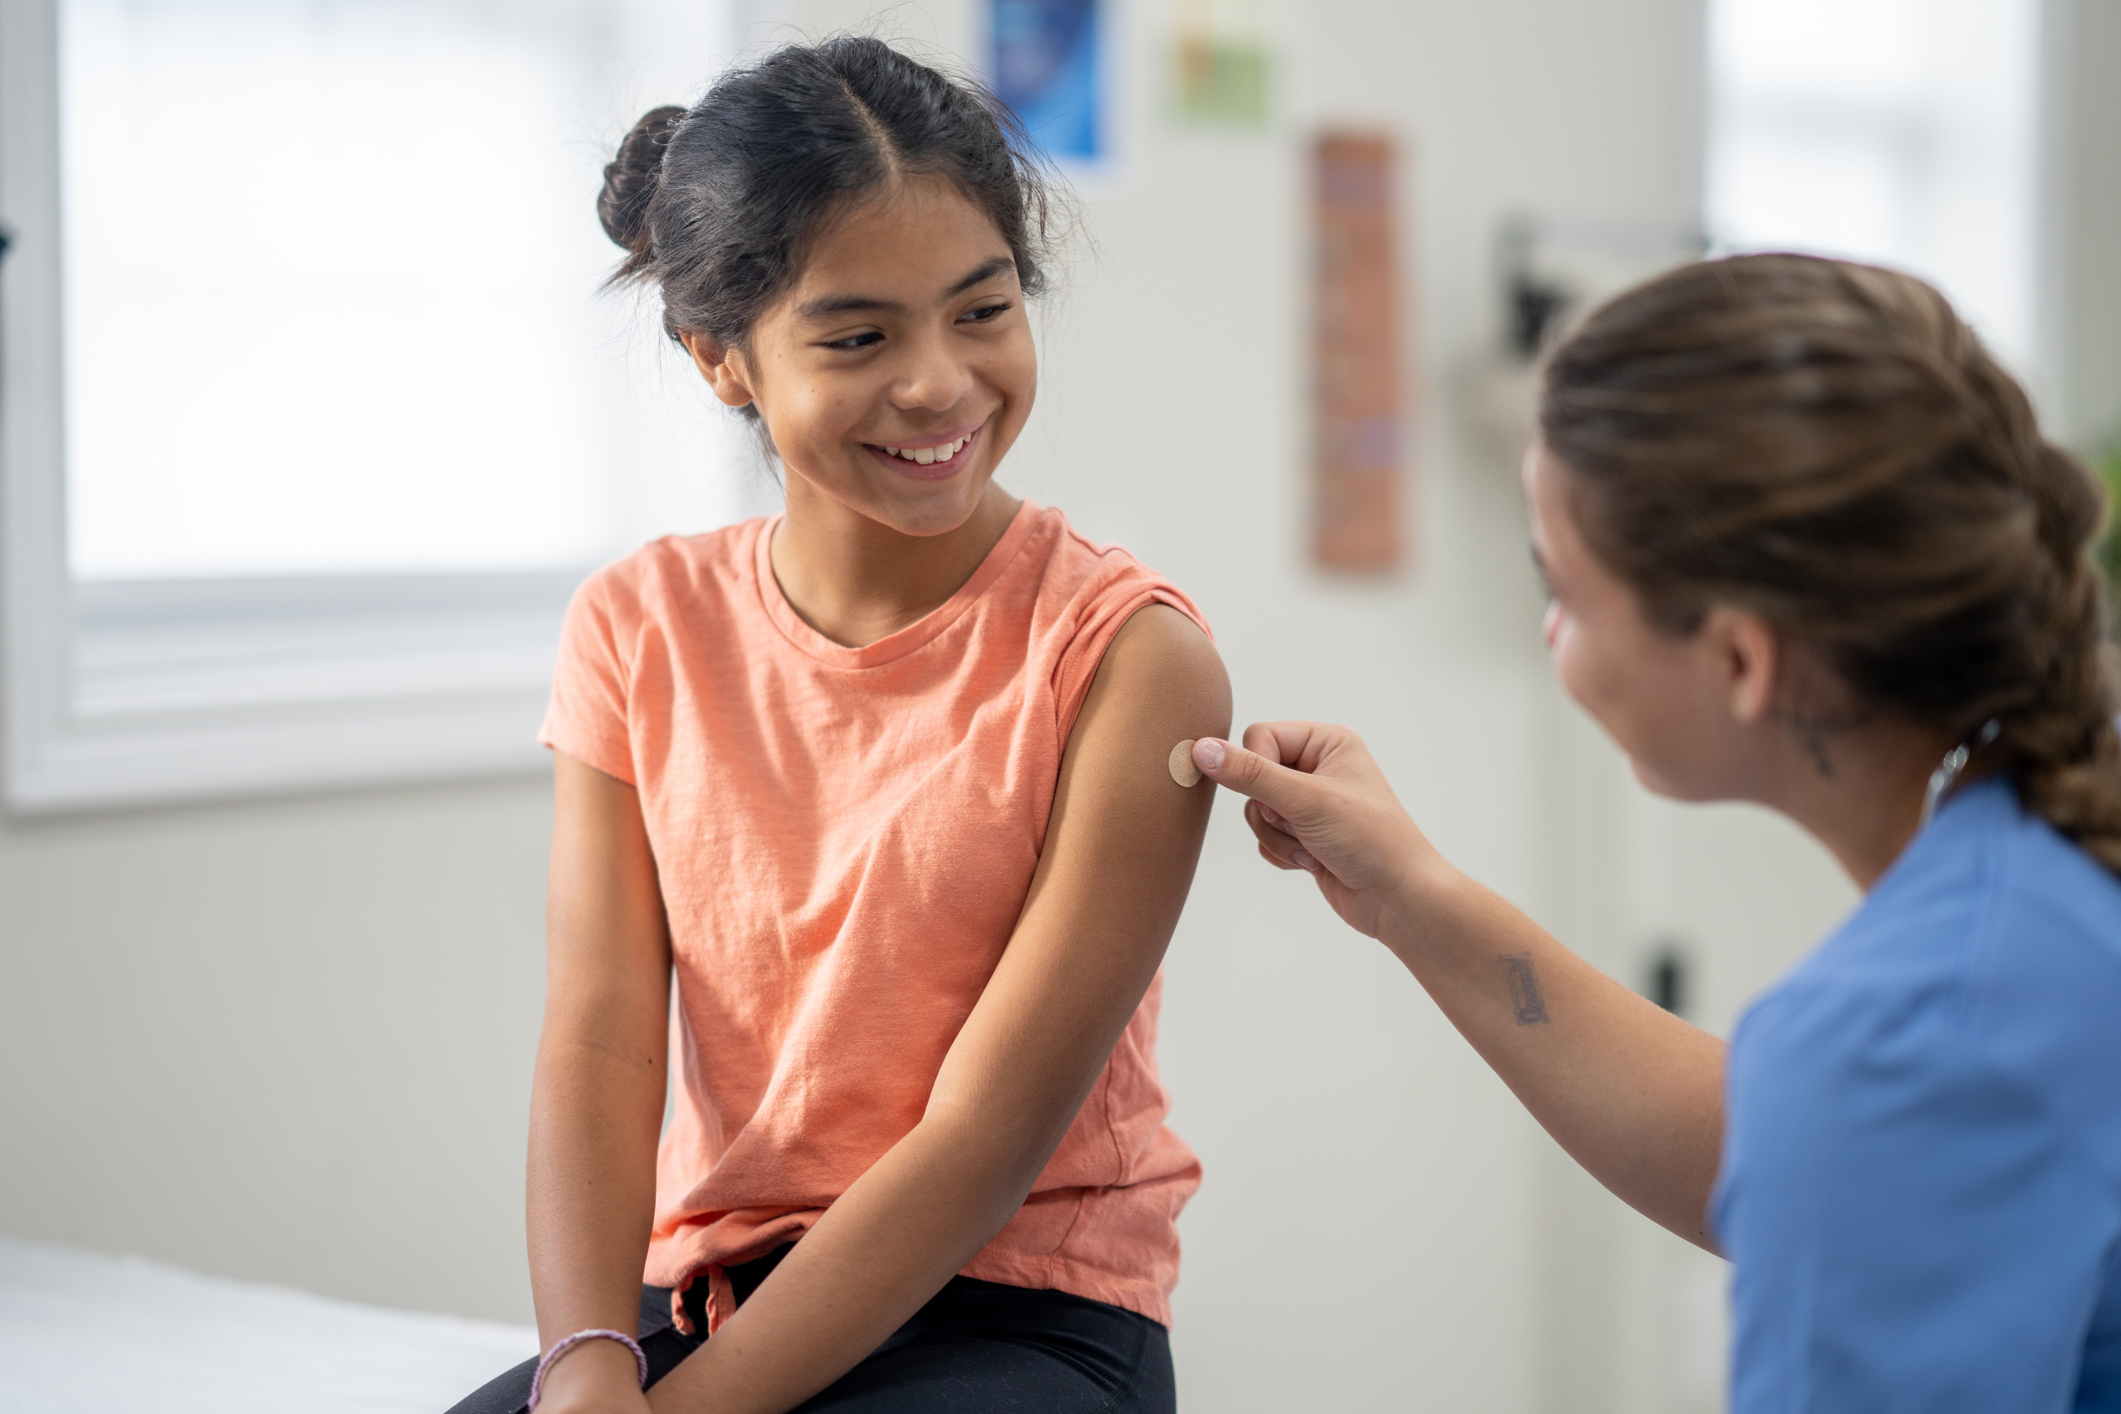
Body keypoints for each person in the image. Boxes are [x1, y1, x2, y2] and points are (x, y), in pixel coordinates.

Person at [1187, 254, 2121, 1410]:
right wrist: (1411, 896)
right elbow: (1797, 1144)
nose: (1550, 632)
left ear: (1738, 658)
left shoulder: (1906, 1028)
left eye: (1566, 591)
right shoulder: (2030, 898)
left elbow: (1855, 1126)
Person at [450, 37, 1229, 1414]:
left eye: (983, 310)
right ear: (721, 359)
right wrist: (587, 1366)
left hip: (1016, 1311)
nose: (939, 382)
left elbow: (985, 1133)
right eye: (859, 337)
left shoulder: (1130, 656)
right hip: (709, 1292)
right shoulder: (636, 627)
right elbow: (599, 1039)